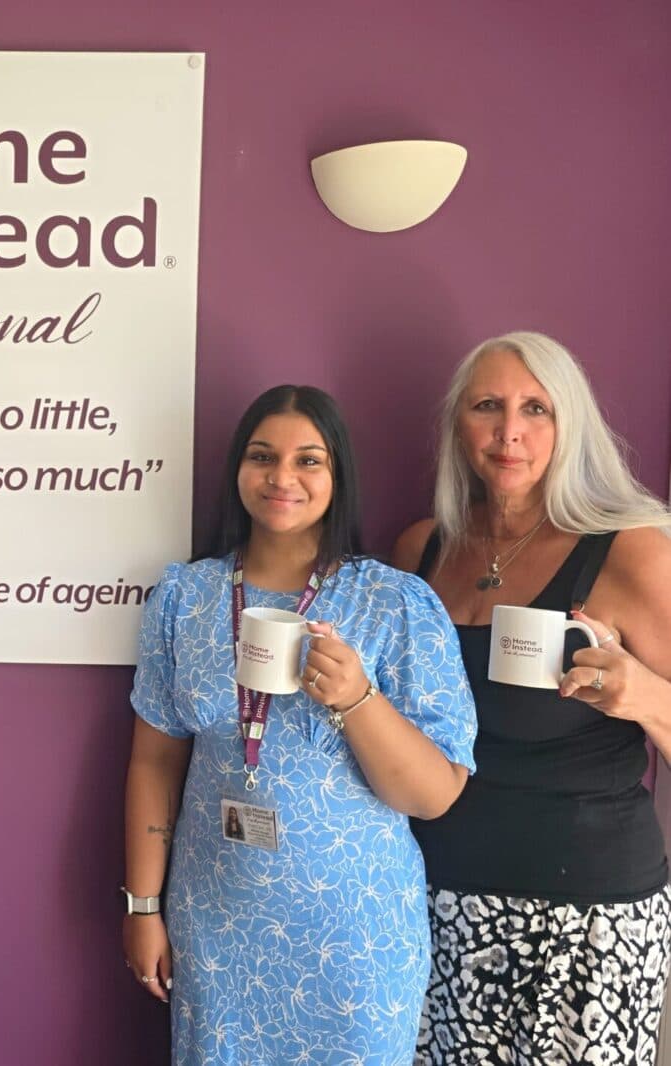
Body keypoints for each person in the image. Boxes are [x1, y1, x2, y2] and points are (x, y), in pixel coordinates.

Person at [122, 384, 476, 1064]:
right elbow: (153, 762)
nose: (282, 477)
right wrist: (142, 907)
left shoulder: (394, 602)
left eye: (309, 460)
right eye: (263, 456)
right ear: (237, 469)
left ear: (338, 477)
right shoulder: (184, 597)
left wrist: (356, 698)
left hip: (355, 944)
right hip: (218, 930)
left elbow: (436, 795)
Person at [393, 331, 671, 1062]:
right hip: (435, 903)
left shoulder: (628, 549)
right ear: (459, 424)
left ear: (568, 426)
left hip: (585, 921)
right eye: (488, 405)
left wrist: (642, 695)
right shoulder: (421, 552)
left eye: (536, 409)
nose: (509, 431)